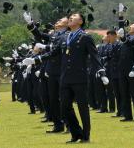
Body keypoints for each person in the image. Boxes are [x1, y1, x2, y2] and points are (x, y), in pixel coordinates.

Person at [25, 13, 108, 143]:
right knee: (64, 107)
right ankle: (76, 133)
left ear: (80, 21)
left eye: (74, 16)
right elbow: (54, 53)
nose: (71, 17)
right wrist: (36, 60)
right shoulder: (65, 37)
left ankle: (85, 135)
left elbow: (94, 55)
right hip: (65, 78)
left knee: (82, 107)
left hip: (79, 77)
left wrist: (101, 72)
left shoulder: (85, 37)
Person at [26, 14, 68, 133]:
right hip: (52, 71)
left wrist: (45, 48)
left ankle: (69, 124)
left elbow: (56, 51)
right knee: (52, 99)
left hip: (61, 70)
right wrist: (31, 24)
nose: (57, 21)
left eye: (61, 20)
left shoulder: (66, 36)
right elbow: (39, 35)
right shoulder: (54, 35)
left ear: (67, 24)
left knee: (64, 100)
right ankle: (58, 125)